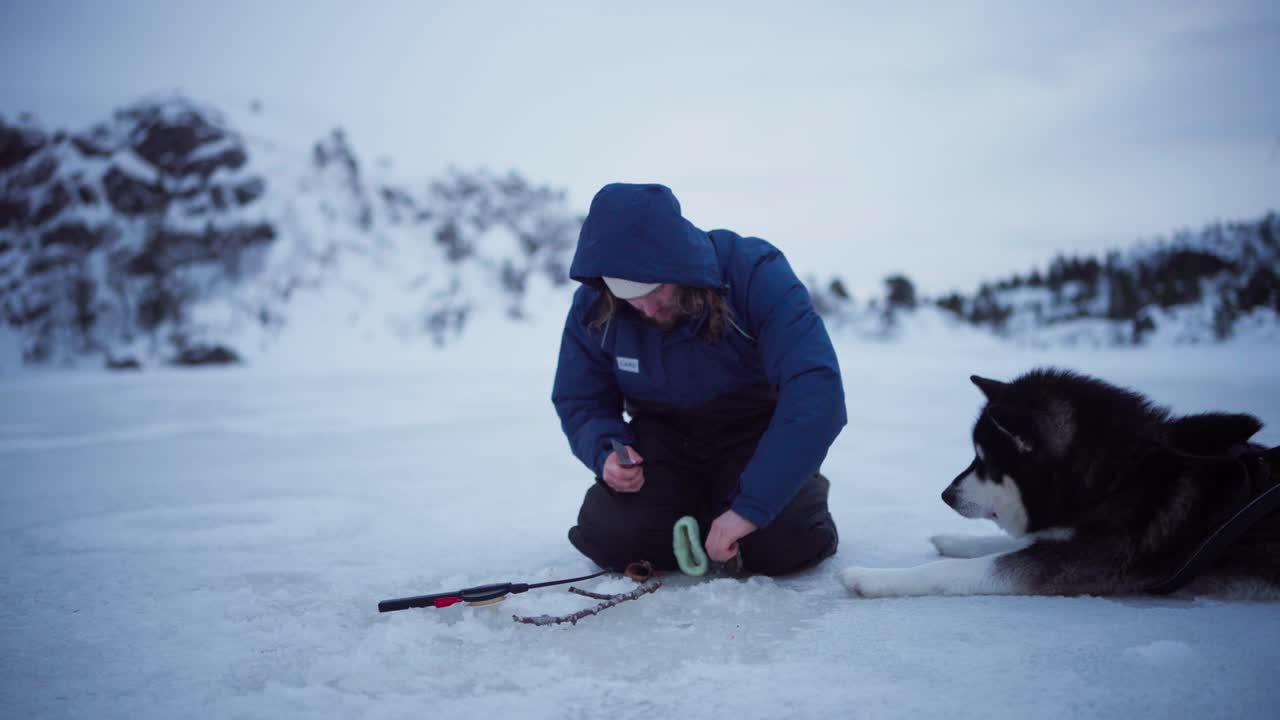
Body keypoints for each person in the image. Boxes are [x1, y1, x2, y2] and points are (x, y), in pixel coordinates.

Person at [552, 182, 846, 576]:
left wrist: (751, 508)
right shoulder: (594, 306)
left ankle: (787, 487)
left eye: (655, 289)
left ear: (677, 264)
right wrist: (606, 452)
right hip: (661, 442)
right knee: (610, 538)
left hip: (753, 435)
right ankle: (702, 511)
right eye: (629, 295)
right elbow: (581, 399)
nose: (646, 306)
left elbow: (815, 390)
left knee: (784, 541)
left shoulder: (753, 272)